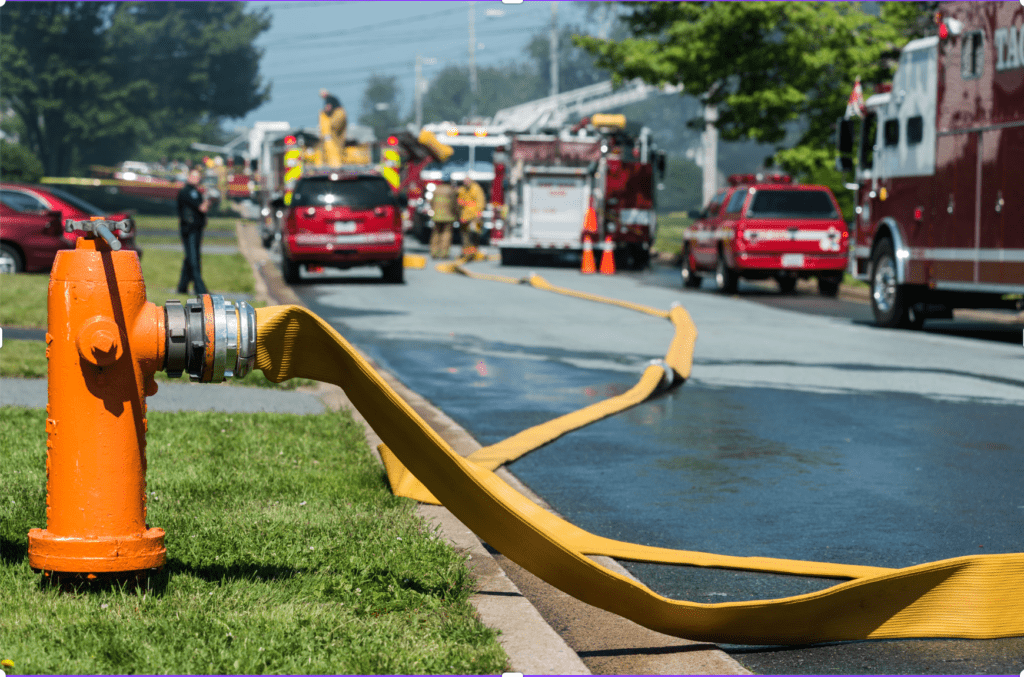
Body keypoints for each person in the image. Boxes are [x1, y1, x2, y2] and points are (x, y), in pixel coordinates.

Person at [176, 168, 210, 295]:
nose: (196, 179)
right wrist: (208, 200)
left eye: (198, 176)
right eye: (194, 176)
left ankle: (182, 286)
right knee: (193, 258)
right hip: (189, 229)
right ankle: (200, 288)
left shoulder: (195, 192)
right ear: (189, 177)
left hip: (196, 229)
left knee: (190, 257)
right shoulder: (188, 192)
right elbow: (202, 208)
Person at [457, 175, 486, 258]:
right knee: (464, 235)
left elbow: (481, 201)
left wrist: (479, 214)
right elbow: (458, 200)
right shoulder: (461, 189)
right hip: (464, 215)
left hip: (474, 216)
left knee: (474, 233)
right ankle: (466, 252)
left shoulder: (476, 189)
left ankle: (473, 252)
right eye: (464, 181)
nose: (465, 183)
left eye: (467, 181)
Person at [429, 179, 458, 259]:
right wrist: (457, 214)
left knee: (436, 233)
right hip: (448, 216)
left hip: (437, 216)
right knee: (446, 234)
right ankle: (443, 253)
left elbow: (431, 202)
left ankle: (434, 252)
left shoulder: (436, 189)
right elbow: (454, 204)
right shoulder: (451, 190)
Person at [317, 88, 347, 166]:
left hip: (338, 114)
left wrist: (324, 112)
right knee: (339, 136)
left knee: (331, 129)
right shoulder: (333, 97)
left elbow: (328, 107)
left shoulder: (328, 98)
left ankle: (336, 158)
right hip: (342, 113)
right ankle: (340, 151)